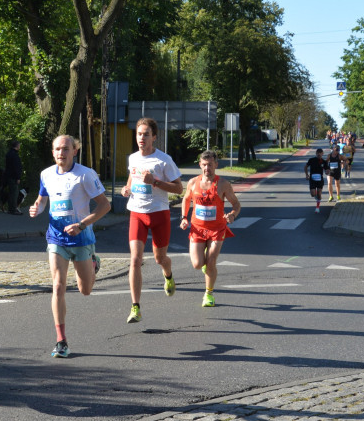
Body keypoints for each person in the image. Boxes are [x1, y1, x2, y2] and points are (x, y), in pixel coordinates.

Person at [28, 135, 111, 358]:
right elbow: (42, 200)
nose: (60, 153)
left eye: (65, 149)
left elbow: (105, 206)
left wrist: (82, 224)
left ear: (75, 151)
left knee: (86, 290)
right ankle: (61, 341)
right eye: (57, 149)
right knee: (58, 286)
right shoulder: (46, 174)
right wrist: (36, 207)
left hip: (82, 239)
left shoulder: (85, 175)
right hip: (56, 238)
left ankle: (93, 262)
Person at [120, 118, 183, 324]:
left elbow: (178, 188)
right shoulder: (133, 158)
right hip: (137, 213)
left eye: (146, 134)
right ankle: (135, 307)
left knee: (159, 258)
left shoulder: (164, 160)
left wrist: (155, 181)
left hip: (159, 213)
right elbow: (132, 178)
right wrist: (126, 188)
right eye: (139, 134)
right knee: (135, 260)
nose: (142, 138)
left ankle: (168, 273)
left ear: (154, 137)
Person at [179, 150, 241, 307]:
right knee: (197, 264)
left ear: (216, 165)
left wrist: (232, 215)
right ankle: (205, 264)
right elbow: (186, 200)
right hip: (197, 228)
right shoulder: (193, 183)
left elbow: (236, 204)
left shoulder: (223, 184)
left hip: (217, 229)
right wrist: (184, 217)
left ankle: (209, 294)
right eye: (204, 165)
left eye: (210, 165)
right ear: (200, 165)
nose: (207, 168)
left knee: (211, 261)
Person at [305, 148, 328, 213]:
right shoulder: (312, 160)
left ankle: (317, 207)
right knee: (313, 194)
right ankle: (316, 196)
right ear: (316, 153)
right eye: (318, 153)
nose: (319, 154)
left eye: (320, 153)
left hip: (320, 180)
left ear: (322, 154)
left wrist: (327, 172)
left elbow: (327, 170)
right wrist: (307, 175)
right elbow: (306, 166)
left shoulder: (324, 162)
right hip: (312, 179)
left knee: (319, 193)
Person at [4, 139, 23, 215]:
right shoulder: (15, 155)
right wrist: (18, 177)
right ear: (17, 146)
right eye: (19, 145)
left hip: (8, 175)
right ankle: (13, 209)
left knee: (11, 192)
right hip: (14, 176)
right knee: (14, 193)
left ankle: (10, 208)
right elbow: (16, 167)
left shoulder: (8, 153)